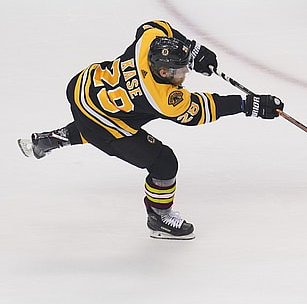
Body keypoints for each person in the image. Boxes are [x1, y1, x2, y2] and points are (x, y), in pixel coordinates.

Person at [18, 20, 283, 240]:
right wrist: (248, 104)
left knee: (128, 116)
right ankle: (159, 216)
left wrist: (192, 49)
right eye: (180, 72)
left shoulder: (146, 46)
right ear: (163, 72)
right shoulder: (163, 99)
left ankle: (53, 139)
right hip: (101, 117)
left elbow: (153, 26)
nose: (185, 76)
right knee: (164, 162)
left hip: (84, 87)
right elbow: (201, 110)